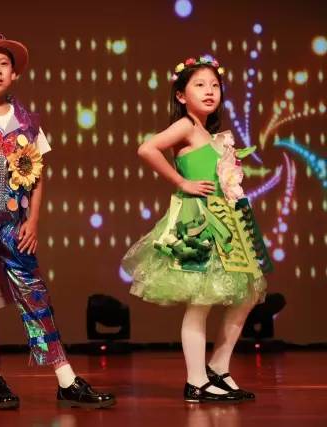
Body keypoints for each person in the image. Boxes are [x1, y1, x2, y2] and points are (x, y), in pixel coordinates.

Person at [0, 32, 115, 410]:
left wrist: (32, 221)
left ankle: (65, 378)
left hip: (13, 223)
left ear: (15, 73)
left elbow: (38, 175)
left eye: (4, 64)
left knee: (34, 293)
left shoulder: (27, 122)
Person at [122, 56, 272, 403]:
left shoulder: (212, 135)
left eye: (215, 86)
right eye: (200, 85)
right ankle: (196, 381)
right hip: (201, 221)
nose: (209, 91)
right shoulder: (187, 125)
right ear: (181, 95)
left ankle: (218, 367)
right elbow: (147, 148)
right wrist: (182, 182)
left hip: (228, 219)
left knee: (248, 294)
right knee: (202, 299)